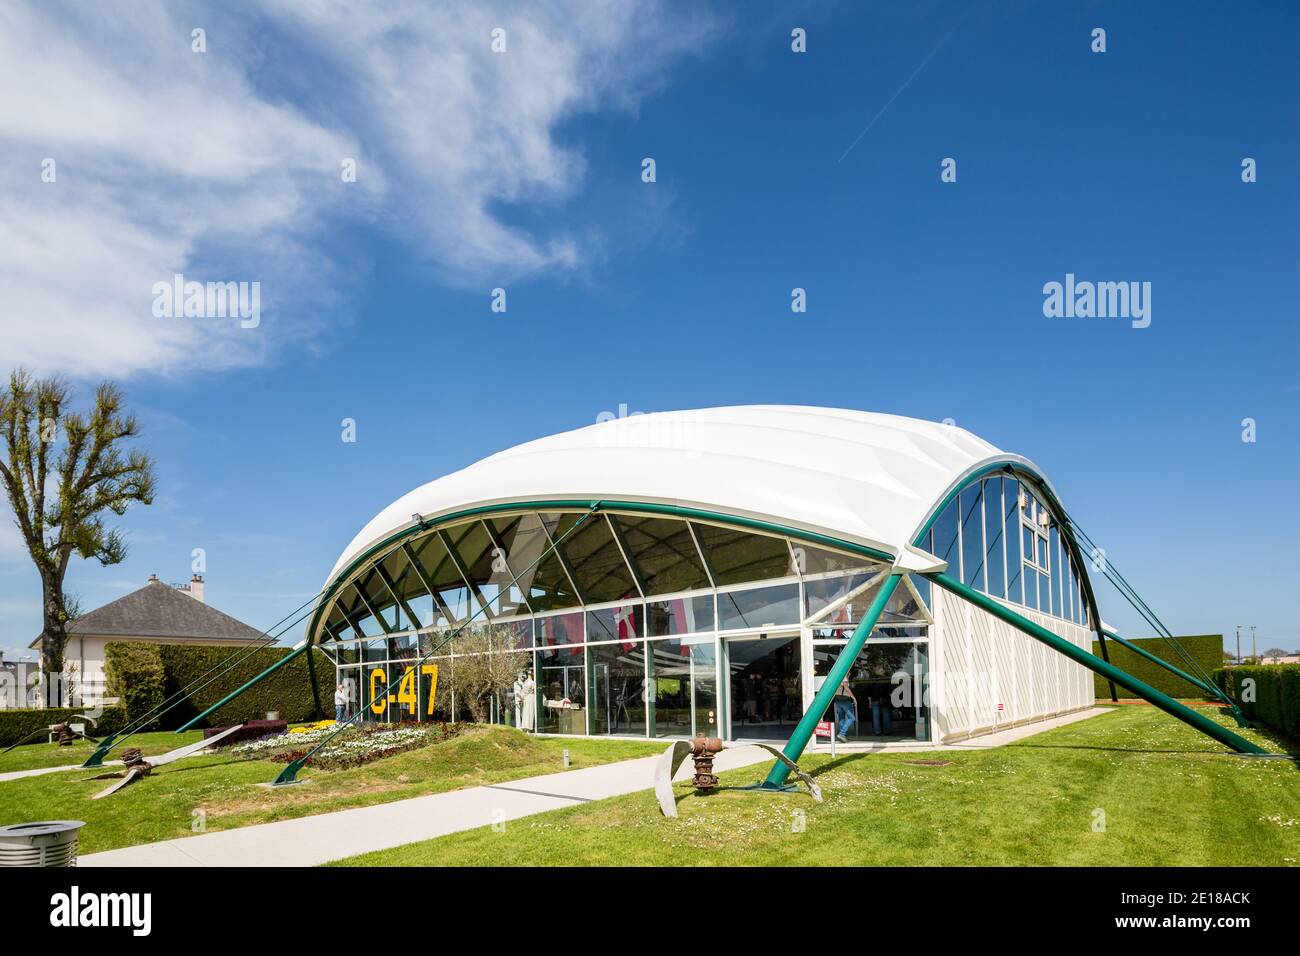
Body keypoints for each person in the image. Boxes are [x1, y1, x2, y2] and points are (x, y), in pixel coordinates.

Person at [832, 676, 857, 743]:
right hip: (845, 699)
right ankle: (842, 734)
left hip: (837, 699)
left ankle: (842, 737)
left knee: (841, 718)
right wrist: (853, 698)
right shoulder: (844, 677)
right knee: (852, 718)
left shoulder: (836, 677)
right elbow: (846, 688)